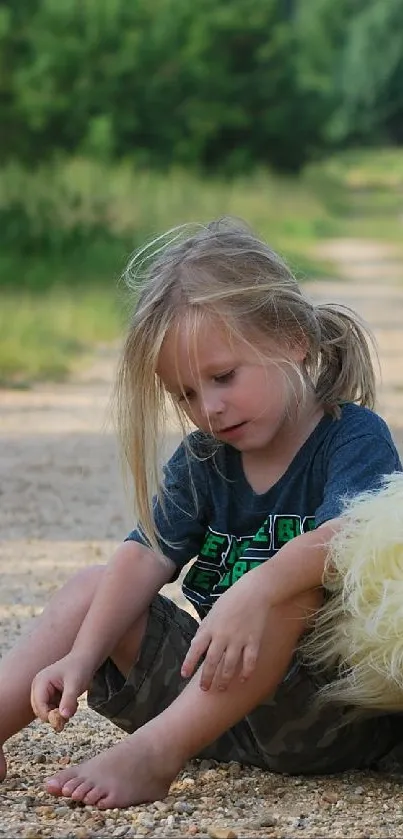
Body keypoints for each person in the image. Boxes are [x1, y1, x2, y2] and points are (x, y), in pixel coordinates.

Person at [0, 218, 401, 810]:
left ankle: (156, 754)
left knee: (294, 588)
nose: (208, 409)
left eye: (223, 377)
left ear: (294, 339)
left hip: (323, 715)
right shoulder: (204, 457)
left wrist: (258, 587)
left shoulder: (351, 436)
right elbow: (146, 553)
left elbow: (353, 535)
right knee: (95, 586)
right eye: (185, 394)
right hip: (210, 707)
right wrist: (81, 656)